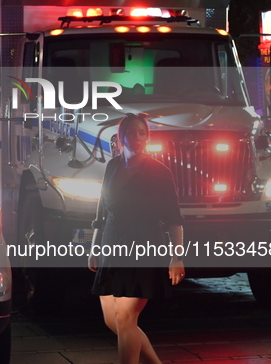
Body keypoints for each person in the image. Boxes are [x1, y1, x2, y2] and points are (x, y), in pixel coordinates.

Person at [88, 112, 185, 364]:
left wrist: (176, 256)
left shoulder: (159, 172)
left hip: (144, 248)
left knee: (126, 318)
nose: (138, 137)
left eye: (142, 133)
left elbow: (174, 217)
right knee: (113, 320)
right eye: (132, 132)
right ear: (121, 137)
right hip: (111, 246)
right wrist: (94, 246)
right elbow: (101, 210)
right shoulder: (113, 166)